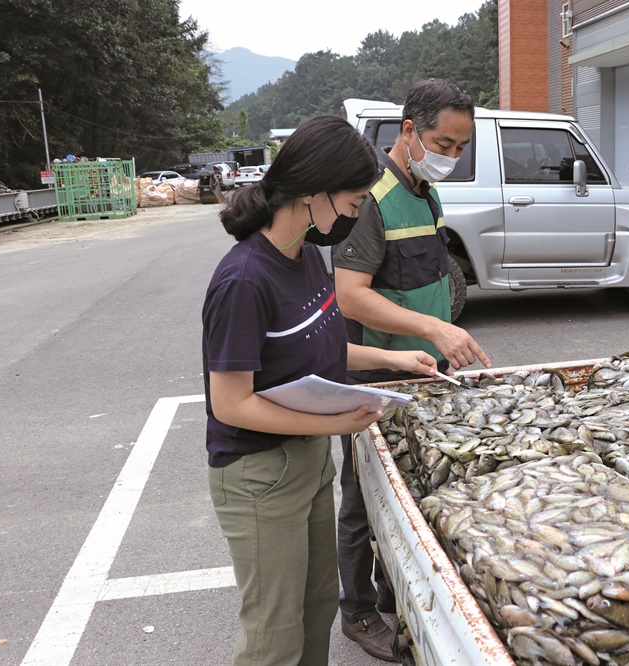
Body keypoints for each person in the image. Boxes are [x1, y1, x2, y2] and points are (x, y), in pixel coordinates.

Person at [202, 114, 439, 666]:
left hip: (305, 459)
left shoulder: (307, 256)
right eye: (354, 203)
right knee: (274, 633)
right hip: (258, 475)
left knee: (315, 607)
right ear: (313, 194)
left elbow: (320, 349)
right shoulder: (243, 280)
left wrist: (392, 355)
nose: (356, 216)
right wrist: (337, 423)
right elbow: (230, 403)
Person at [331, 78, 492, 661]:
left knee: (412, 494)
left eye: (459, 147)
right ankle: (357, 611)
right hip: (377, 373)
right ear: (408, 131)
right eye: (442, 143)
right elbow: (349, 295)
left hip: (425, 372)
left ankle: (391, 589)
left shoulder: (426, 191)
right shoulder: (372, 197)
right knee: (361, 498)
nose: (451, 156)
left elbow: (425, 279)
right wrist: (432, 327)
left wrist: (444, 331)